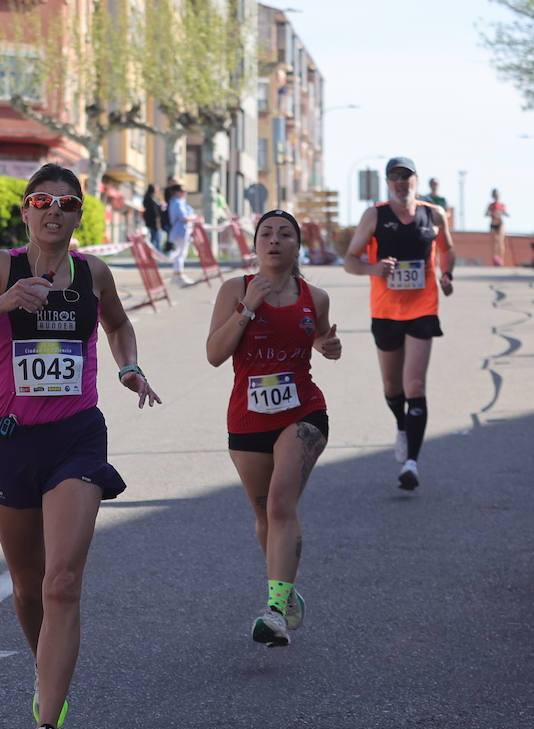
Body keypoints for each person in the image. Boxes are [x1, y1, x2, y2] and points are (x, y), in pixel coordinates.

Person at [0, 163, 161, 729]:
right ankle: (45, 671)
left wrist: (127, 366)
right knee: (28, 587)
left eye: (66, 203)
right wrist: (5, 302)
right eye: (41, 200)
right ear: (26, 211)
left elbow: (118, 324)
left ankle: (47, 728)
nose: (53, 210)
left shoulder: (94, 273)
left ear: (80, 214)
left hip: (76, 439)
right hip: (9, 440)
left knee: (62, 581)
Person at [206, 210, 342, 647]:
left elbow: (319, 336)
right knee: (265, 516)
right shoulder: (236, 289)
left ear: (297, 246)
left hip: (302, 412)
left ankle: (275, 610)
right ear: (255, 244)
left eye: (285, 234)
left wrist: (328, 346)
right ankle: (287, 588)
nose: (275, 240)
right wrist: (248, 308)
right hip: (247, 419)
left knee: (282, 506)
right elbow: (214, 353)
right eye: (266, 233)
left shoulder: (314, 296)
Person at [343, 156, 454, 491]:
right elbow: (350, 261)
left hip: (423, 308)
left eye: (406, 177)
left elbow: (448, 249)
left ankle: (412, 464)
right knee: (393, 388)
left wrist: (447, 274)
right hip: (386, 310)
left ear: (416, 180)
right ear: (387, 183)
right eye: (395, 178)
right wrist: (373, 269)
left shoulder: (434, 214)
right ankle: (402, 425)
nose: (401, 183)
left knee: (415, 386)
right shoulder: (375, 215)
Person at [166, 183, 196, 285]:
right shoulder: (178, 203)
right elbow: (184, 218)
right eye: (183, 191)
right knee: (181, 253)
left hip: (180, 230)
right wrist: (194, 217)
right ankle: (179, 275)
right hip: (181, 230)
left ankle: (177, 274)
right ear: (177, 193)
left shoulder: (177, 202)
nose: (185, 193)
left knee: (180, 252)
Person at [486, 189, 510, 266]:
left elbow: (506, 213)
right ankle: (495, 258)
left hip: (500, 224)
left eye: (498, 195)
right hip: (493, 224)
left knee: (500, 241)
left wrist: (504, 213)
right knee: (494, 243)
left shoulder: (502, 205)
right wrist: (491, 213)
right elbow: (486, 214)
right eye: (495, 195)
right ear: (493, 196)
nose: (496, 196)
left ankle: (501, 259)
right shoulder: (491, 205)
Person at [141, 183, 163, 248]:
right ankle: (155, 255)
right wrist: (158, 222)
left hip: (150, 222)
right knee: (156, 240)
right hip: (154, 223)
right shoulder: (152, 200)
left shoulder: (148, 198)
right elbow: (155, 213)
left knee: (154, 239)